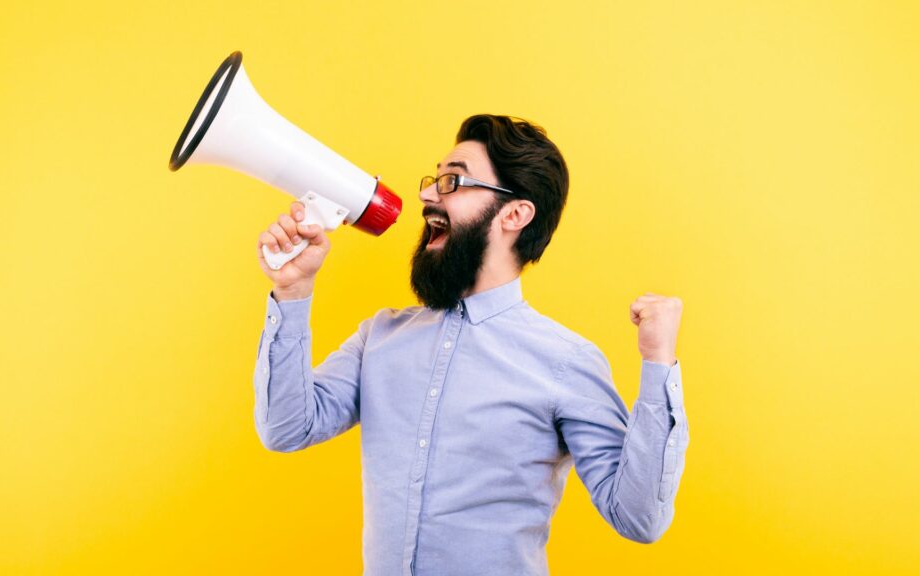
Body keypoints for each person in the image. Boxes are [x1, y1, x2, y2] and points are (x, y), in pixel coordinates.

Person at [253, 114, 688, 576]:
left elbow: (639, 518)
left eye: (452, 180)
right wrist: (293, 291)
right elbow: (286, 428)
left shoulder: (566, 363)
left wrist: (658, 364)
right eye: (434, 178)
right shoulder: (379, 337)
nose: (426, 195)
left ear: (514, 214)